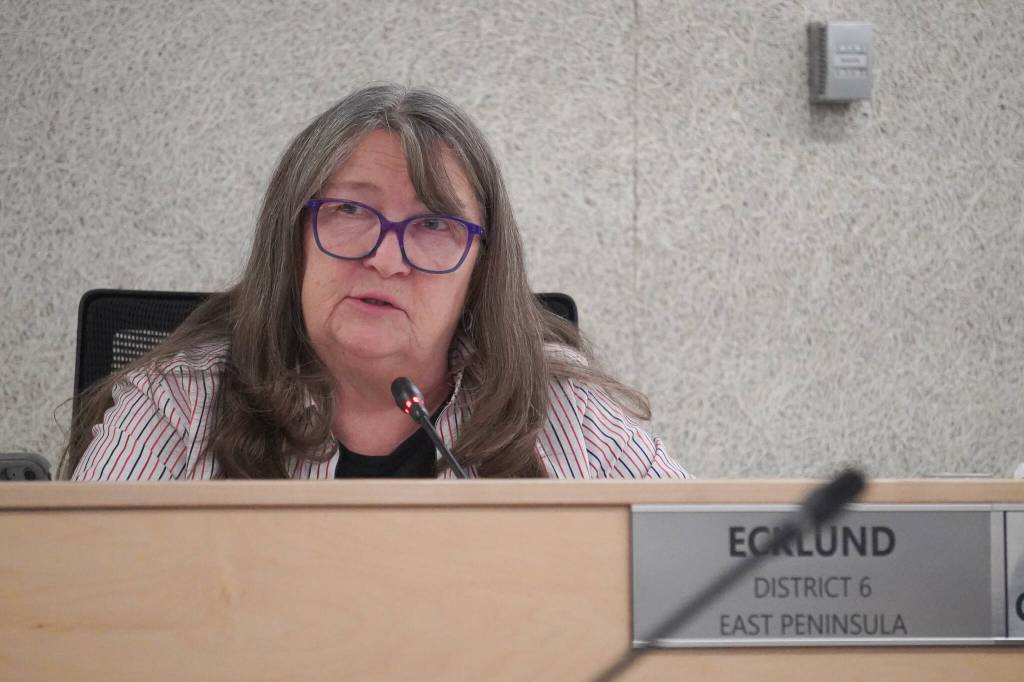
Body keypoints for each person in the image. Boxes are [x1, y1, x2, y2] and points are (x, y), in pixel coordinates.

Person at [63, 84, 691, 481]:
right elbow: (66, 614)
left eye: (434, 225)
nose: (387, 261)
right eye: (351, 212)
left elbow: (707, 584)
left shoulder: (561, 412)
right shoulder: (180, 405)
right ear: (293, 238)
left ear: (481, 268)